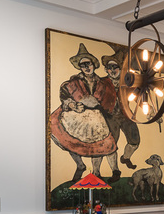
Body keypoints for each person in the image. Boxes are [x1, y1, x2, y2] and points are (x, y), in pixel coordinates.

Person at [49, 43, 117, 183]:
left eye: (89, 64)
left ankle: (103, 173)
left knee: (103, 144)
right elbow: (64, 96)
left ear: (94, 65)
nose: (86, 67)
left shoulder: (102, 83)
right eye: (83, 65)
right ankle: (80, 165)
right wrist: (72, 105)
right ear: (80, 67)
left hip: (97, 118)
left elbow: (108, 101)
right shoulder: (73, 82)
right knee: (70, 140)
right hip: (77, 116)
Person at [97, 49, 140, 177]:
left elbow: (138, 97)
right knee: (111, 144)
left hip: (126, 115)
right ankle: (115, 170)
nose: (111, 70)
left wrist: (151, 110)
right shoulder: (102, 82)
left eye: (114, 67)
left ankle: (125, 157)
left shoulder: (128, 83)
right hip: (109, 116)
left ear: (121, 69)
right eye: (109, 67)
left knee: (135, 141)